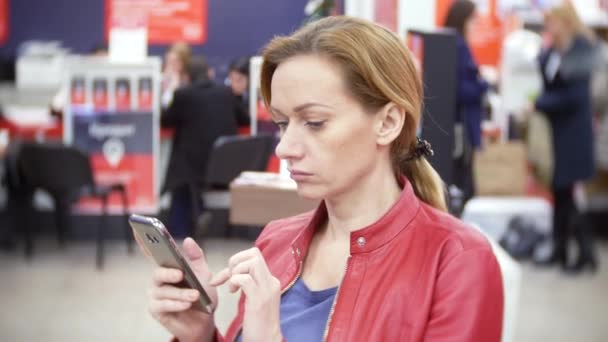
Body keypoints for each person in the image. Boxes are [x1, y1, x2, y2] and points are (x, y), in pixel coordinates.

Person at [147, 16, 503, 341]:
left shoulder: (457, 261)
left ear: (388, 122)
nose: (285, 147)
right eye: (283, 124)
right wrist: (201, 335)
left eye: (314, 123)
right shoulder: (275, 242)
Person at [532, 3, 598, 274]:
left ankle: (586, 254)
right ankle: (560, 251)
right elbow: (549, 78)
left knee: (570, 196)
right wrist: (545, 53)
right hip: (557, 134)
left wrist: (540, 103)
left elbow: (576, 97)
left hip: (574, 135)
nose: (549, 27)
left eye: (552, 22)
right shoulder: (556, 49)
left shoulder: (582, 48)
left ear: (566, 22)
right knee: (560, 194)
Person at [161, 56, 238, 238]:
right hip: (224, 165)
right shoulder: (226, 93)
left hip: (189, 169)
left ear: (187, 76)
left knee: (180, 182)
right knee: (186, 179)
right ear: (209, 73)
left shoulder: (183, 94)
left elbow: (165, 121)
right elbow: (244, 117)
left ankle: (179, 233)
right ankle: (199, 216)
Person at [444, 0, 489, 202]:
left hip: (457, 123)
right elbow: (460, 90)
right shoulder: (458, 45)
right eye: (473, 20)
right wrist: (484, 84)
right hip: (460, 125)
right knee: (462, 182)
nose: (475, 25)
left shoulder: (452, 42)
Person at [162, 42, 192, 110]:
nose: (170, 66)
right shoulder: (158, 81)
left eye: (175, 62)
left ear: (185, 63)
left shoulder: (190, 85)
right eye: (168, 62)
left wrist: (172, 89)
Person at [227, 57, 251, 127]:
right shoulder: (226, 99)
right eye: (231, 78)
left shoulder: (257, 99)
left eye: (239, 80)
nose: (234, 84)